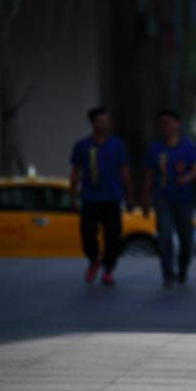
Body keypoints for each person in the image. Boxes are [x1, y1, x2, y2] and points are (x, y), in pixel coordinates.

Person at [69, 106, 134, 286]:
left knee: (113, 237)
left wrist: (129, 196)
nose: (105, 125)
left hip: (112, 198)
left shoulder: (117, 145)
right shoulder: (82, 146)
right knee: (87, 234)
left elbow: (125, 172)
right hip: (90, 198)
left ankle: (108, 270)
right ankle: (93, 260)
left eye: (107, 121)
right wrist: (73, 196)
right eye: (101, 122)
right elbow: (75, 172)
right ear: (92, 123)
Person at [143, 109, 196, 288]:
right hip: (162, 198)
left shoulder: (187, 146)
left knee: (186, 239)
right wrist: (145, 199)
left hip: (183, 198)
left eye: (169, 122)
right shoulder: (155, 148)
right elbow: (148, 175)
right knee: (164, 235)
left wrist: (187, 178)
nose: (165, 126)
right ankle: (167, 274)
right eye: (162, 123)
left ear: (177, 124)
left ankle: (182, 267)